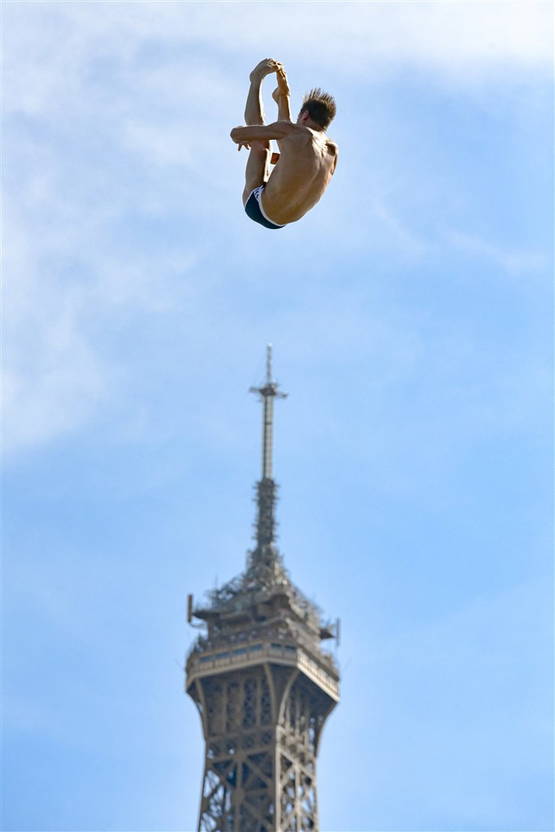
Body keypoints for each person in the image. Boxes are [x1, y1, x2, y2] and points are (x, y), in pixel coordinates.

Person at [230, 58, 338, 230]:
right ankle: (281, 97)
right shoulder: (333, 151)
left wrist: (244, 136)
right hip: (283, 221)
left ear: (304, 116)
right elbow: (293, 156)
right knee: (282, 143)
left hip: (258, 206)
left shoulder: (293, 132)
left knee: (262, 146)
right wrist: (283, 97)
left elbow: (235, 134)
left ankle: (256, 79)